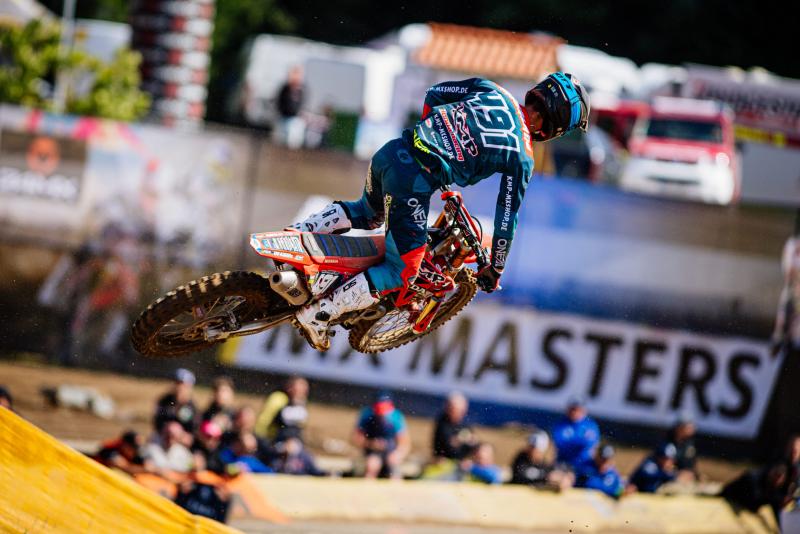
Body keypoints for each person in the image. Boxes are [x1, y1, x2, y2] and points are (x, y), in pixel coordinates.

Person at [290, 73, 590, 350]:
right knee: (402, 271)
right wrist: (496, 268)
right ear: (557, 124)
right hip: (414, 181)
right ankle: (319, 314)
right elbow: (507, 217)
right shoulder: (521, 155)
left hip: (393, 151)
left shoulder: (492, 90)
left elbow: (434, 93)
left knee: (367, 212)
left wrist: (430, 138)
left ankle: (298, 234)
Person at [353, 391, 411, 479]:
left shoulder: (396, 417)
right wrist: (371, 444)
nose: (382, 413)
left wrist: (398, 454)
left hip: (391, 450)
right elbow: (356, 439)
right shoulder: (367, 415)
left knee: (393, 467)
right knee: (372, 465)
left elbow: (405, 443)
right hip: (372, 451)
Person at [721, 464, 790, 523]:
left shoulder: (775, 488)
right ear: (771, 473)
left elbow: (775, 508)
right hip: (731, 498)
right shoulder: (753, 478)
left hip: (745, 507)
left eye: (780, 478)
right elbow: (755, 499)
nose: (777, 480)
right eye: (776, 476)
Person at [255, 376, 310, 445]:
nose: (302, 393)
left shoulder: (297, 404)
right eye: (299, 390)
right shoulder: (279, 398)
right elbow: (264, 421)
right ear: (289, 387)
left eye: (304, 390)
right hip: (269, 439)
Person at [551, 397, 601, 468]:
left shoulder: (590, 426)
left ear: (583, 410)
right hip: (564, 462)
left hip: (585, 464)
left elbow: (592, 445)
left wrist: (574, 444)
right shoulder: (561, 424)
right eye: (572, 409)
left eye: (577, 410)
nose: (574, 412)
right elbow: (559, 443)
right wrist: (578, 443)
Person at [432, 392, 476, 461]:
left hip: (462, 461)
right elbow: (449, 444)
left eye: (460, 411)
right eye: (453, 409)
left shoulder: (465, 422)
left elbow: (473, 441)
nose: (458, 413)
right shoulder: (443, 422)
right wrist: (463, 439)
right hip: (445, 461)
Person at [154, 368, 198, 434]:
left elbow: (192, 429)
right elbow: (158, 422)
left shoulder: (191, 406)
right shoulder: (164, 401)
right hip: (163, 435)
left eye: (181, 384)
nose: (178, 387)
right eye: (176, 383)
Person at [274, 66, 306, 149]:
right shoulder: (285, 88)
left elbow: (302, 104)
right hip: (283, 118)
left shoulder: (301, 90)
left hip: (294, 119)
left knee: (292, 143)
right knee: (280, 141)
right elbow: (279, 101)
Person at [662, 413, 699, 481]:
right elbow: (665, 467)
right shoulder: (667, 444)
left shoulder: (689, 444)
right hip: (670, 477)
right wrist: (677, 474)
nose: (692, 429)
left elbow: (690, 466)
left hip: (685, 476)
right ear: (680, 428)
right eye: (688, 427)